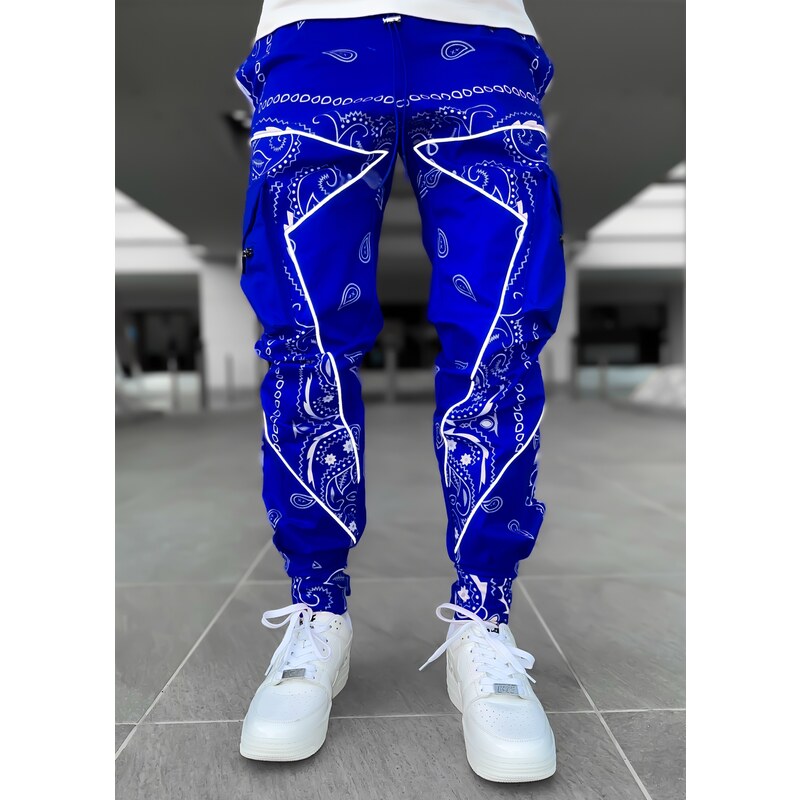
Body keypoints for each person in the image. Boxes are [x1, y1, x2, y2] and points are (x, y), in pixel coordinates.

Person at [233, 0, 566, 783]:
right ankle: (319, 612)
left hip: (483, 36)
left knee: (501, 342)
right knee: (302, 343)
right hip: (311, 37)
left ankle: (483, 618)